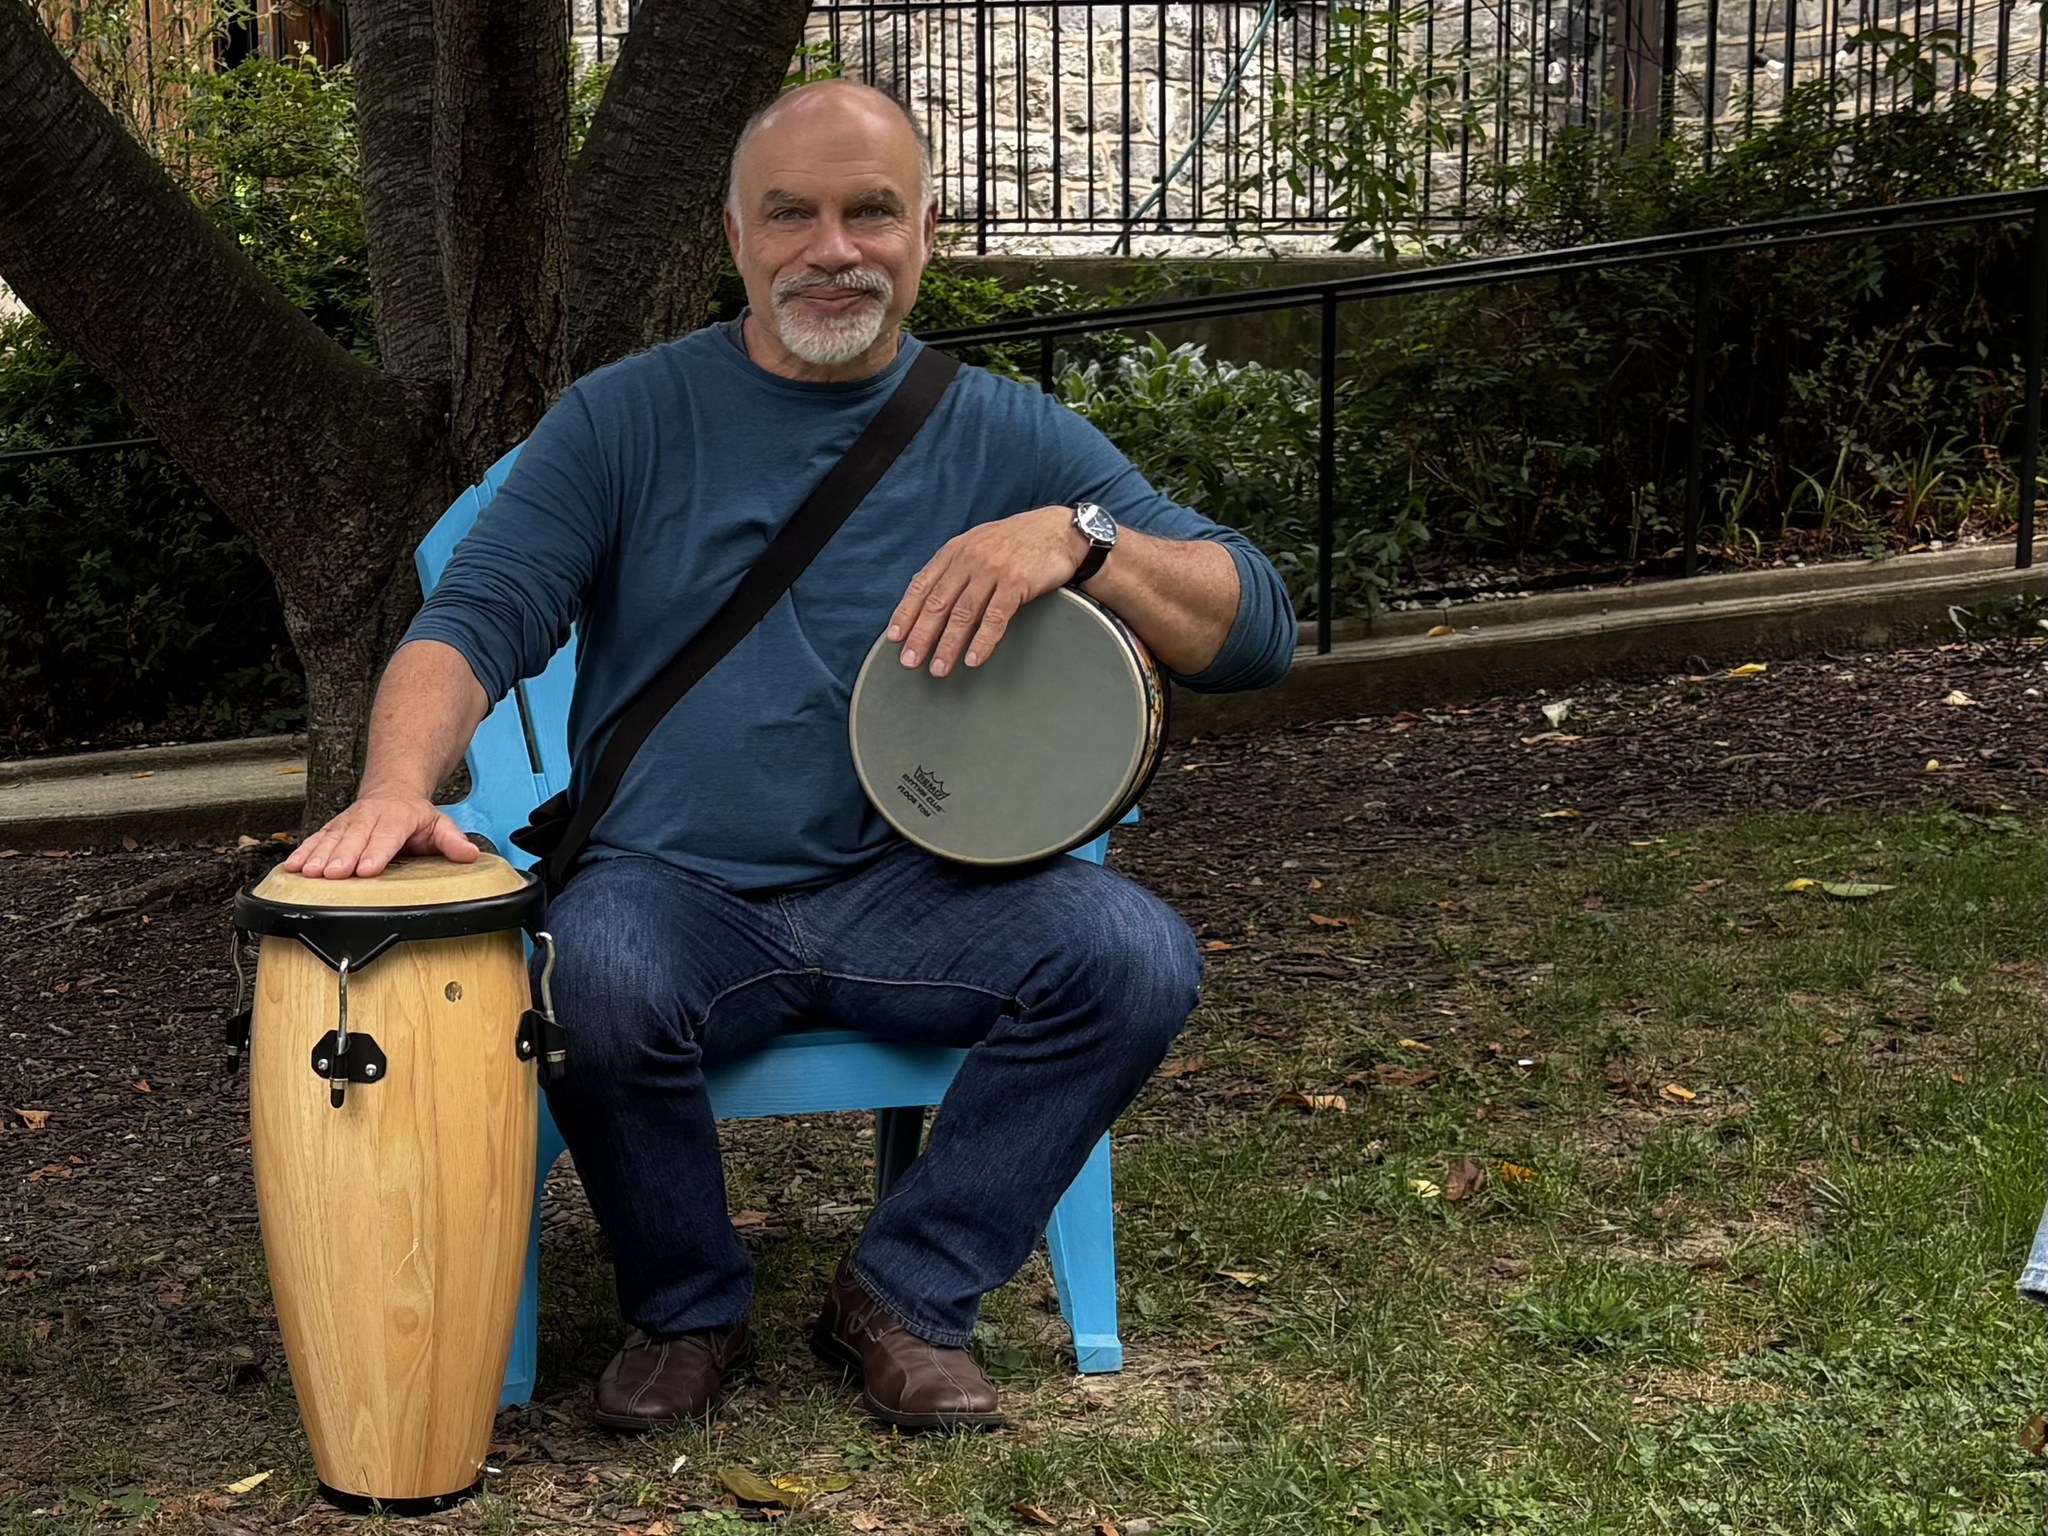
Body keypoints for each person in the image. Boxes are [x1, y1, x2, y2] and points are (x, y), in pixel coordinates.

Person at [283, 80, 1296, 1433]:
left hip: (922, 889)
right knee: (594, 970)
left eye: (871, 212)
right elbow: (472, 622)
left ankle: (904, 1293)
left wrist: (1085, 542)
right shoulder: (621, 421)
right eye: (793, 215)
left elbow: (1258, 626)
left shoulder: (1007, 436)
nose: (834, 249)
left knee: (1133, 955)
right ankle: (688, 1305)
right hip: (671, 884)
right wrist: (398, 786)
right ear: (737, 237)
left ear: (927, 231)